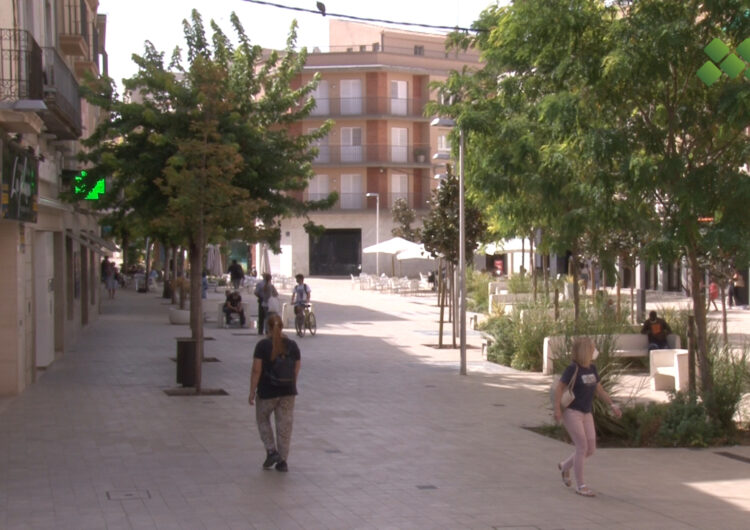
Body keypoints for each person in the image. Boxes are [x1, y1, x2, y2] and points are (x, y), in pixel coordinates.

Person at [554, 337, 621, 497]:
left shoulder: (592, 368)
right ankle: (581, 485)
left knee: (590, 448)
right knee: (582, 446)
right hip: (572, 412)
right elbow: (559, 388)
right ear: (585, 350)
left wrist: (612, 404)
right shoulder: (573, 369)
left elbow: (599, 390)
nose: (594, 350)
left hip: (586, 412)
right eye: (592, 348)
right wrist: (557, 409)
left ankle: (565, 466)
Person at [248, 313, 301, 472]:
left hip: (267, 391)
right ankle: (283, 461)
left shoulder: (263, 346)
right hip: (288, 391)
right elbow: (296, 369)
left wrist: (252, 391)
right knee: (284, 425)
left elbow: (257, 370)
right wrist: (291, 385)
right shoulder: (292, 346)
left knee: (262, 418)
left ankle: (271, 451)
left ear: (268, 328)